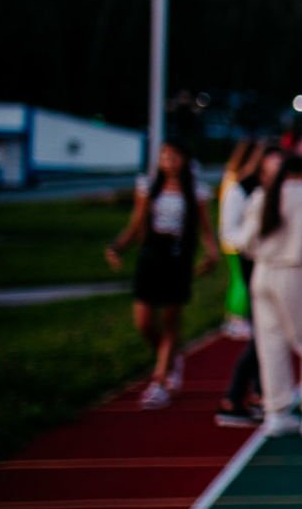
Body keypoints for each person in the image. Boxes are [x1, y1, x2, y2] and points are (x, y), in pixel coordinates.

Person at [106, 139, 219, 410]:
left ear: (184, 159)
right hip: (151, 255)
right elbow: (136, 223)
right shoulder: (149, 187)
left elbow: (205, 228)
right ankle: (169, 357)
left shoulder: (195, 191)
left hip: (177, 256)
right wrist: (118, 247)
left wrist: (211, 253)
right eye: (164, 156)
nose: (169, 161)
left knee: (170, 320)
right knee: (144, 321)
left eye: (174, 156)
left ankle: (159, 381)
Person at [236, 153, 302, 438]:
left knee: (271, 345)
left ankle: (277, 413)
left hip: (263, 272)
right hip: (297, 271)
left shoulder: (262, 196)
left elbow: (244, 242)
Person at [217, 143, 281, 427]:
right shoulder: (242, 190)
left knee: (270, 333)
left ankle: (259, 393)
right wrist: (252, 243)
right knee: (262, 333)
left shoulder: (277, 189)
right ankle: (234, 397)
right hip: (252, 261)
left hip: (274, 264)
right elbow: (230, 233)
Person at [218, 138, 261, 340]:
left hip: (236, 237)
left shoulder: (232, 177)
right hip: (236, 239)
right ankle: (235, 318)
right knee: (240, 281)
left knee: (238, 280)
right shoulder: (236, 181)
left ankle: (234, 317)